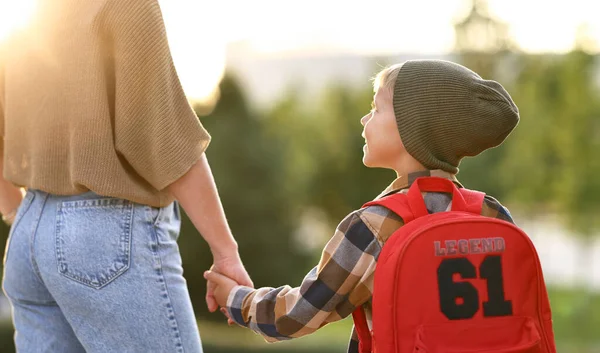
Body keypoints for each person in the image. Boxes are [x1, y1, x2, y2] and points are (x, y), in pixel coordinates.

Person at [204, 59, 519, 353]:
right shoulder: (491, 214)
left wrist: (235, 299)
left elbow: (298, 314)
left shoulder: (375, 225)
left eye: (376, 109)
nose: (364, 118)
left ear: (413, 129)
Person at [0, 0, 252, 352]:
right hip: (106, 240)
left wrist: (20, 215)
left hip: (29, 240)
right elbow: (163, 140)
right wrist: (226, 251)